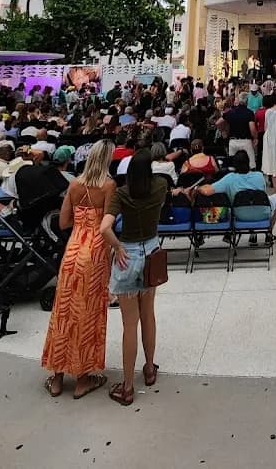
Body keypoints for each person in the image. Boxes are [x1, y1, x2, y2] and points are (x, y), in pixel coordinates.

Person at [42, 140, 115, 398]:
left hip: (73, 248)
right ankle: (83, 379)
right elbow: (106, 225)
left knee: (63, 312)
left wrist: (81, 223)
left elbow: (62, 222)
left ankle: (58, 376)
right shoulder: (108, 186)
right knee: (89, 313)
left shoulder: (73, 185)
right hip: (95, 251)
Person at [101, 148, 173, 405]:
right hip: (152, 251)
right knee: (149, 314)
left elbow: (105, 228)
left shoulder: (122, 194)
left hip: (128, 255)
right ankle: (150, 368)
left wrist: (117, 246)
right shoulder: (161, 186)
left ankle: (128, 386)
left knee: (129, 324)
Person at [195, 148, 276, 239]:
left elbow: (207, 191)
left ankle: (249, 235)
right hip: (262, 213)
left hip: (239, 214)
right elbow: (262, 195)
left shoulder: (229, 178)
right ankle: (268, 233)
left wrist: (198, 187)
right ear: (248, 162)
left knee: (225, 208)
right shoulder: (259, 176)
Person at [222, 94, 258, 169]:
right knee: (251, 164)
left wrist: (223, 131)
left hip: (233, 141)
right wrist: (255, 138)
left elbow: (218, 122)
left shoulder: (231, 112)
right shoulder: (249, 113)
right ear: (247, 101)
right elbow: (252, 128)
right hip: (246, 141)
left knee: (232, 166)